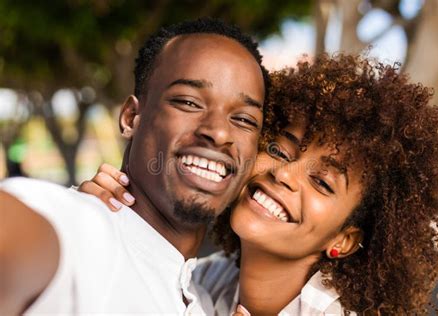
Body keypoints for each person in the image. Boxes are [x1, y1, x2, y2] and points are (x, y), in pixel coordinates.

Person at [82, 54, 438, 314]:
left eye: (322, 183)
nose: (283, 173)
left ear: (343, 240)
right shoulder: (207, 279)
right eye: (280, 151)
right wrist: (105, 225)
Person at [0, 18, 270, 314]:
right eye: (189, 102)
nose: (218, 132)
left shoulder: (205, 299)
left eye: (244, 119)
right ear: (131, 117)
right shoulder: (82, 227)